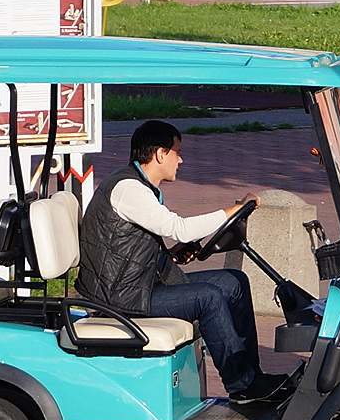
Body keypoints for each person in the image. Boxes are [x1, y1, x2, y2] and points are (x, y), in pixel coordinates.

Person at [76, 120, 288, 405]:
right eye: (177, 152)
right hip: (121, 296)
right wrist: (234, 209)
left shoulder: (140, 186)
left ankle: (253, 377)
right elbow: (180, 228)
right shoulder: (128, 189)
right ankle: (242, 386)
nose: (181, 159)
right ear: (160, 154)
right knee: (209, 297)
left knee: (234, 281)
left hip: (139, 285)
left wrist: (173, 255)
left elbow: (131, 245)